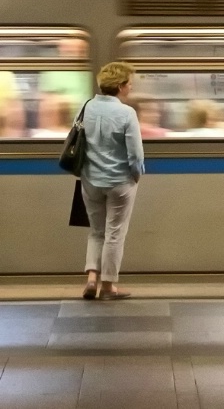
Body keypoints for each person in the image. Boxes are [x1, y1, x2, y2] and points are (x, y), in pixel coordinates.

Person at [79, 61, 145, 300]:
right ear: (119, 86)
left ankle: (91, 279)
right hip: (119, 182)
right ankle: (108, 287)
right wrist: (136, 176)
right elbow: (135, 154)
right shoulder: (127, 113)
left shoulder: (86, 107)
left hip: (90, 181)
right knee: (115, 233)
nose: (131, 88)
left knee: (96, 231)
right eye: (129, 84)